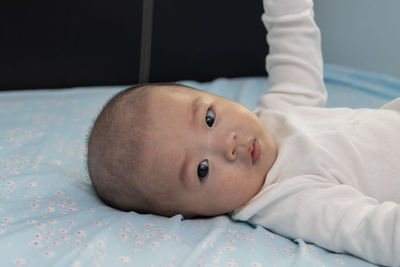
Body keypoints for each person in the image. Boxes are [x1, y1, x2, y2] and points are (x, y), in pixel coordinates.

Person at [87, 0, 400, 266]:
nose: (228, 144)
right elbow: (372, 231)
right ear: (195, 214)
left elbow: (292, 41)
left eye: (209, 118)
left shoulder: (278, 114)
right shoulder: (288, 200)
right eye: (202, 169)